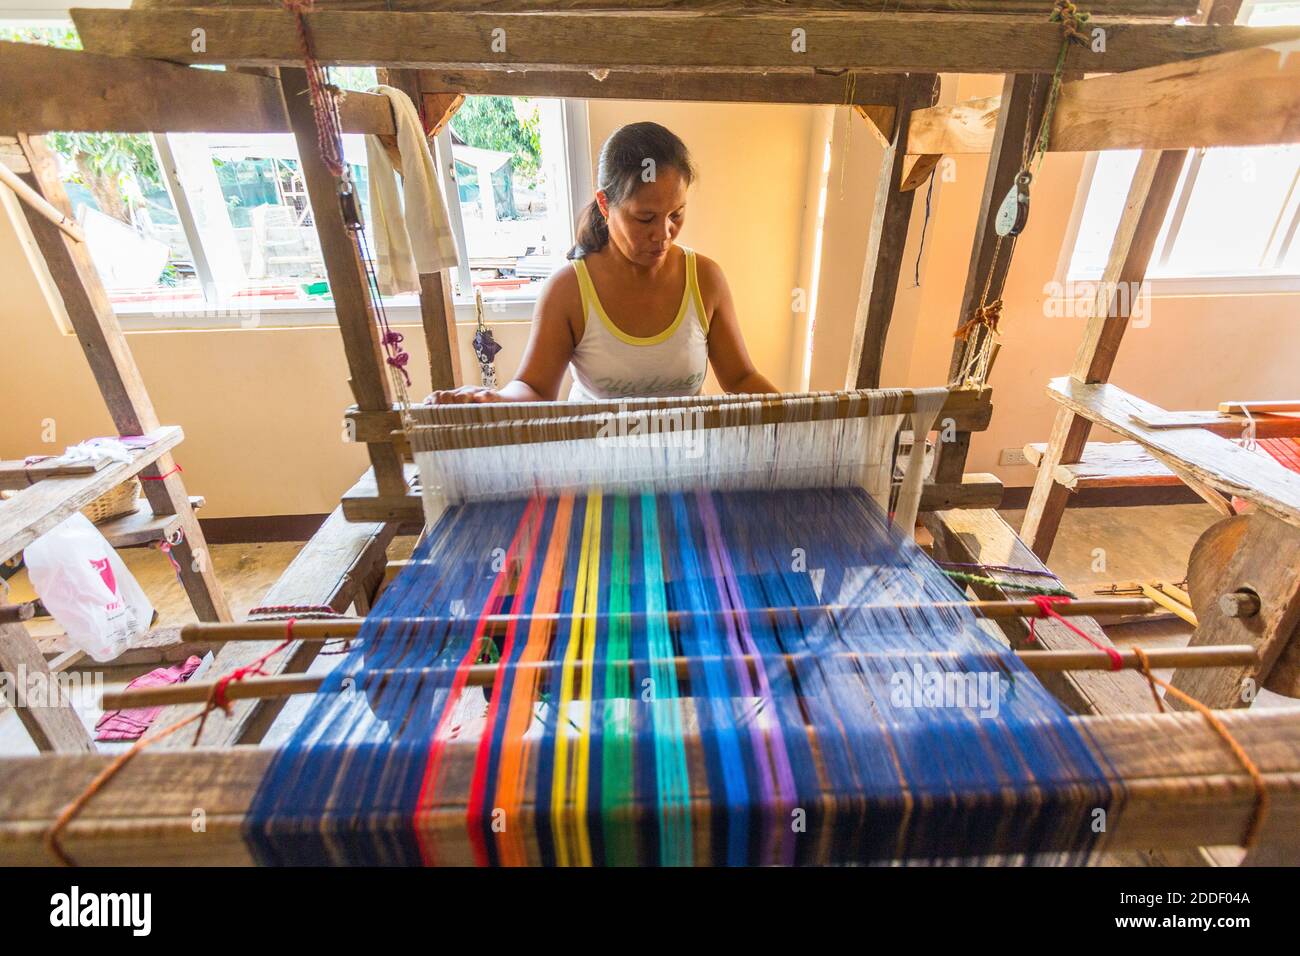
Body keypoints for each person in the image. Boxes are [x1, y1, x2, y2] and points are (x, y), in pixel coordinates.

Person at [428, 121, 777, 404]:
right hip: (597, 469)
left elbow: (740, 378)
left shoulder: (705, 279)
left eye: (676, 214)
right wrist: (494, 400)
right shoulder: (568, 292)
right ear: (605, 204)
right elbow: (534, 389)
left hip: (685, 463)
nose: (664, 234)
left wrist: (804, 418)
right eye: (645, 218)